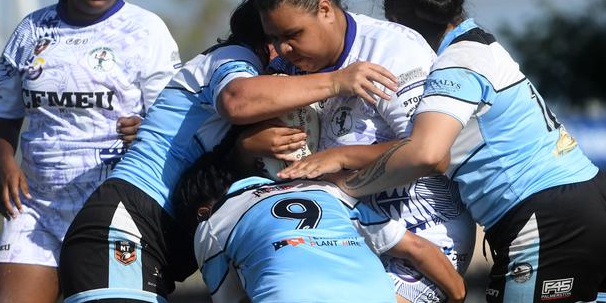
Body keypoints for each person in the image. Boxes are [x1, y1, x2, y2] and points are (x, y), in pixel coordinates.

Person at [284, 0, 606, 303]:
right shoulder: (483, 46)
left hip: (548, 217)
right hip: (597, 201)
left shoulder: (458, 63)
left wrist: (340, 176)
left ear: (399, 24)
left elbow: (427, 154)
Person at [58, 0, 398, 301]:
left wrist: (245, 150)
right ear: (264, 40)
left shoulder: (260, 89)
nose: (287, 51)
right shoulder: (232, 57)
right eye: (278, 39)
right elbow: (236, 100)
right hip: (129, 222)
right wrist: (338, 81)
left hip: (158, 240)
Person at [253, 0, 475, 302]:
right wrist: (251, 142)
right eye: (275, 38)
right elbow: (240, 106)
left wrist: (341, 158)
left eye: (292, 35)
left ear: (325, 10)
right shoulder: (287, 68)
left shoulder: (392, 51)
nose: (284, 49)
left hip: (424, 235)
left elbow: (431, 155)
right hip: (348, 231)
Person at [0, 0, 182, 302]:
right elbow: (3, 118)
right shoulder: (30, 31)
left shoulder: (146, 30)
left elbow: (175, 123)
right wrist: (5, 163)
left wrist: (146, 130)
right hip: (35, 210)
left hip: (112, 209)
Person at [173, 127, 466, 303]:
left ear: (201, 212)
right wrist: (456, 296)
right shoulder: (326, 193)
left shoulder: (211, 225)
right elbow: (417, 248)